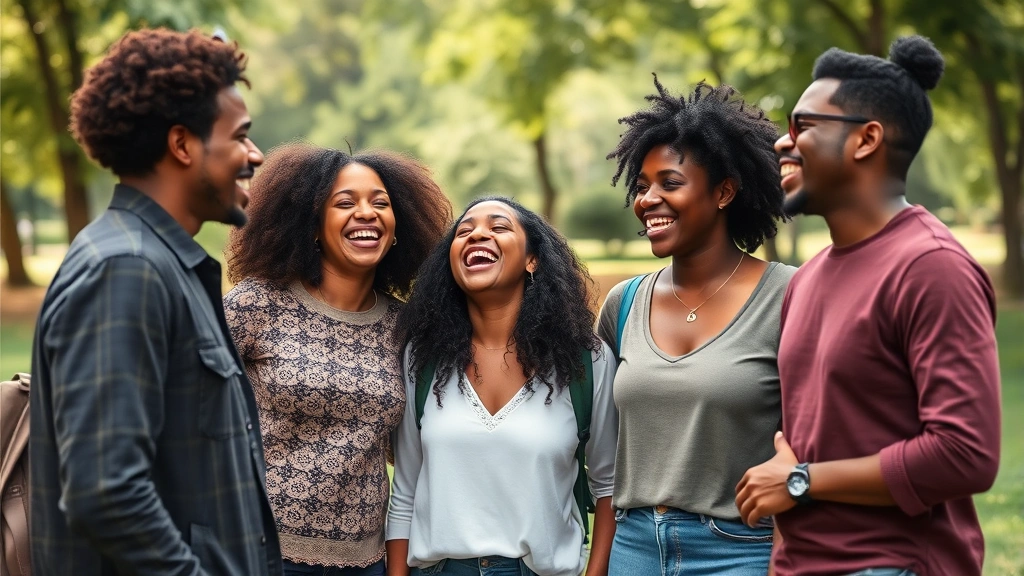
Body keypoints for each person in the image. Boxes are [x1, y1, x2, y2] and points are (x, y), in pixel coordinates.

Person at [735, 36, 1001, 576]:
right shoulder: (808, 278)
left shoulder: (930, 266)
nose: (783, 145)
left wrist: (801, 479)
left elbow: (965, 454)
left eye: (802, 126)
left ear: (865, 139)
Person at [29, 29, 282, 575]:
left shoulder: (165, 265)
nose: (255, 156)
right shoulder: (126, 269)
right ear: (183, 144)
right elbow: (106, 493)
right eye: (241, 136)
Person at [223, 142, 452, 576]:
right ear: (312, 225)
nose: (366, 212)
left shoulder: (405, 328)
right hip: (258, 551)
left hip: (365, 562)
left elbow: (407, 448)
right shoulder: (256, 303)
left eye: (379, 203)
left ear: (398, 226)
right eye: (344, 203)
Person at [599, 78, 794, 576]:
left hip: (742, 550)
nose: (647, 200)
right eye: (641, 187)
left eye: (670, 182)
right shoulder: (622, 305)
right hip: (634, 548)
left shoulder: (790, 296)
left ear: (725, 191)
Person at [386, 197, 618, 576]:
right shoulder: (424, 359)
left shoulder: (583, 361)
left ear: (533, 260)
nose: (478, 234)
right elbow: (406, 491)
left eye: (498, 227)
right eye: (464, 231)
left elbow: (608, 486)